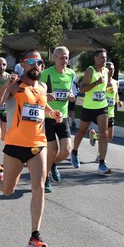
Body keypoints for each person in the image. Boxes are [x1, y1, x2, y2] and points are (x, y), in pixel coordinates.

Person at [0, 50, 63, 247]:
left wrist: (52, 112)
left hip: (38, 144)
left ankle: (34, 236)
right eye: (31, 61)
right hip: (14, 146)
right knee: (8, 190)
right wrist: (6, 87)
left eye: (39, 62)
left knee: (39, 187)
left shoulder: (43, 87)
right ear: (22, 64)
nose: (35, 65)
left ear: (42, 66)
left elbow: (40, 106)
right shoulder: (15, 85)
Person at [40, 46, 76, 193]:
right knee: (52, 149)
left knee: (67, 150)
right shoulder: (45, 74)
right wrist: (45, 96)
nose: (65, 60)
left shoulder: (71, 74)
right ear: (54, 58)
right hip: (48, 117)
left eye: (67, 57)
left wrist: (71, 96)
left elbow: (69, 90)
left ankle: (52, 164)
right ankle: (46, 177)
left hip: (63, 117)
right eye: (61, 58)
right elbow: (36, 93)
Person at [70, 48, 112, 175]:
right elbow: (82, 89)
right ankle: (74, 152)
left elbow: (105, 86)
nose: (104, 60)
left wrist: (108, 87)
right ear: (95, 58)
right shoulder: (90, 70)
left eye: (105, 57)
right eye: (101, 57)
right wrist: (96, 83)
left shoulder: (106, 71)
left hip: (102, 106)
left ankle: (102, 163)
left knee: (104, 134)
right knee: (82, 132)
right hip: (89, 107)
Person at [89, 61, 122, 159]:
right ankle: (100, 156)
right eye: (109, 69)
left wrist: (118, 102)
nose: (111, 71)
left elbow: (116, 94)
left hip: (111, 112)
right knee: (104, 135)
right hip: (102, 111)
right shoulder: (101, 81)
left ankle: (94, 136)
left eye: (113, 69)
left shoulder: (116, 82)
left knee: (109, 137)